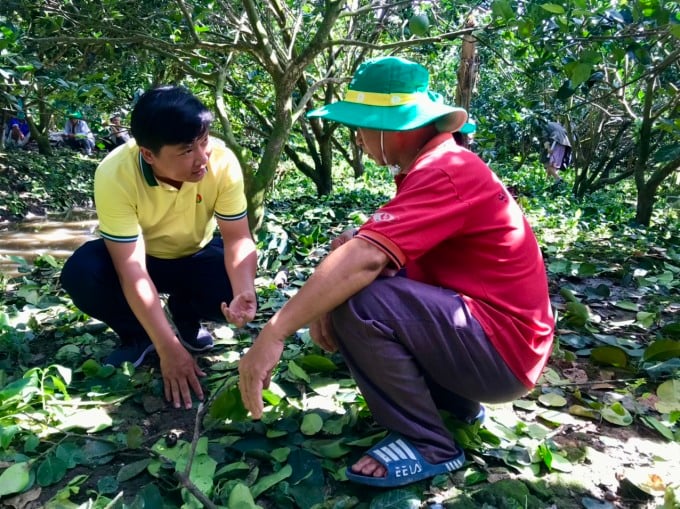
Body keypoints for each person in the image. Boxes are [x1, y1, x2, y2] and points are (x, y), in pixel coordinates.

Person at [237, 56, 554, 488]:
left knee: (363, 299)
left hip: (502, 353)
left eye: (361, 126)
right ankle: (452, 406)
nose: (359, 138)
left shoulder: (446, 170)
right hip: (495, 342)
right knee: (352, 280)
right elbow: (371, 253)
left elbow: (366, 259)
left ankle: (429, 444)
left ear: (391, 127)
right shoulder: (432, 167)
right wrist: (331, 294)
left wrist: (274, 332)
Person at [60, 86, 258, 410]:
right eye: (185, 151)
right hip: (144, 258)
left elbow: (237, 237)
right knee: (83, 273)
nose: (202, 158)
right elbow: (131, 269)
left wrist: (243, 290)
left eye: (204, 141)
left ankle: (186, 318)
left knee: (228, 281)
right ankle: (139, 335)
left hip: (195, 253)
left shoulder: (222, 162)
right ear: (148, 154)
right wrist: (168, 349)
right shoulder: (114, 174)